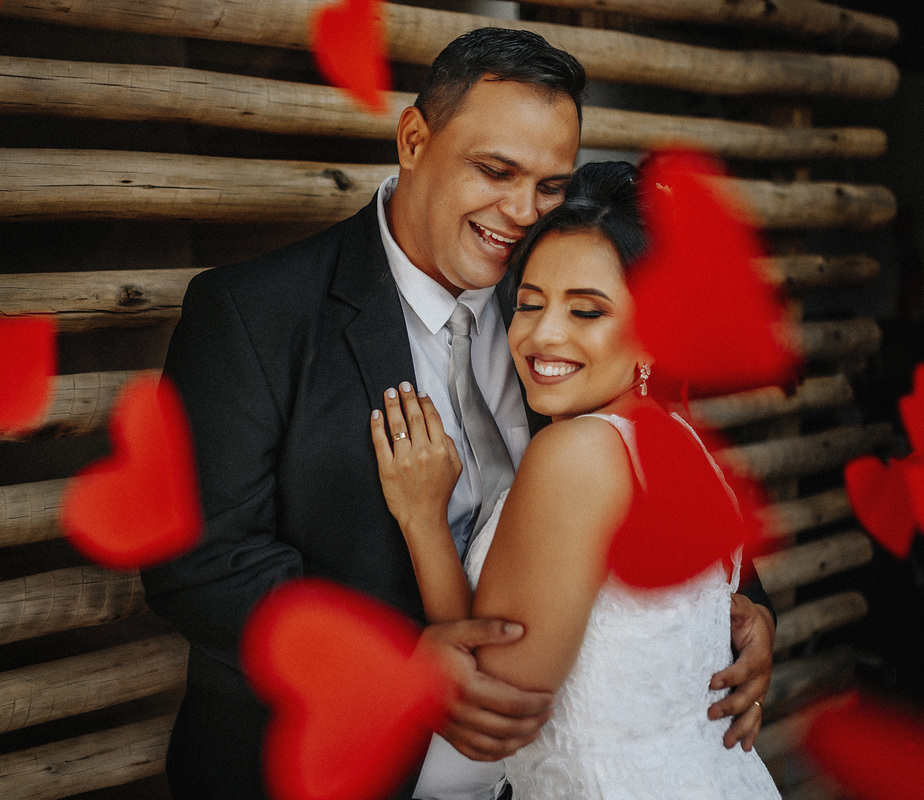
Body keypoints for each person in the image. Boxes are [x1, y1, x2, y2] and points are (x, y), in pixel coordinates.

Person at [142, 28, 774, 800]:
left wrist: (744, 616)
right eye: (496, 170)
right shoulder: (253, 313)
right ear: (414, 139)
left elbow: (658, 470)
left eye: (549, 185)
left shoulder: (562, 301)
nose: (523, 211)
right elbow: (200, 564)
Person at [371, 161, 781, 798]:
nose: (543, 334)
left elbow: (496, 703)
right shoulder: (683, 445)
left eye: (586, 312)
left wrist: (424, 520)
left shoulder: (577, 452)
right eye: (529, 304)